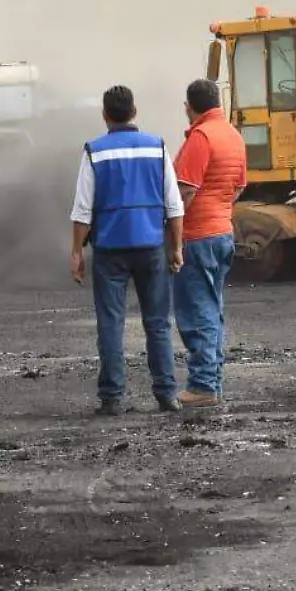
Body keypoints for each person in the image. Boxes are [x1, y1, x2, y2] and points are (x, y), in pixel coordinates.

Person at [70, 85, 186, 416]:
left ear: (105, 115)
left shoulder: (94, 152)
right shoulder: (158, 147)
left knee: (111, 323)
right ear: (134, 112)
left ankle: (112, 398)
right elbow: (174, 206)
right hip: (151, 248)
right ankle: (167, 395)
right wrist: (176, 248)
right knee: (158, 323)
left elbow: (82, 210)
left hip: (109, 251)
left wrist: (76, 254)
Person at [171, 78, 248, 409]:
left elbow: (184, 191)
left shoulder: (200, 137)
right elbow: (239, 186)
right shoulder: (232, 135)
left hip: (198, 236)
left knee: (197, 309)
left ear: (190, 107)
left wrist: (170, 233)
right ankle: (211, 381)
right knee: (213, 309)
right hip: (223, 233)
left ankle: (202, 385)